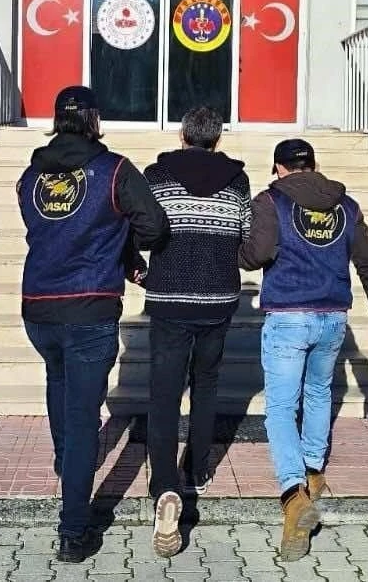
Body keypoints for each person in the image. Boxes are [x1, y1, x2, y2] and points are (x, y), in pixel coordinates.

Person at [17, 85, 169, 563]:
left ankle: (67, 465)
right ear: (93, 120)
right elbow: (155, 225)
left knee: (58, 384)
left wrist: (114, 244)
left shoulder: (31, 175)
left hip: (38, 304)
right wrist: (124, 250)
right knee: (84, 418)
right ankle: (74, 529)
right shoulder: (114, 170)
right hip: (89, 304)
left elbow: (37, 226)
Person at [239, 138, 368, 562]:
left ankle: (293, 494)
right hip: (333, 317)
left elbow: (257, 255)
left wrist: (237, 250)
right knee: (317, 394)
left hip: (289, 316)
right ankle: (313, 471)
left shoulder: (270, 201)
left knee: (280, 408)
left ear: (279, 168)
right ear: (313, 165)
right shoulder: (346, 205)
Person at [138, 106, 251, 558]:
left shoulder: (156, 176)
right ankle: (198, 470)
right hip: (218, 298)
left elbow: (142, 229)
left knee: (164, 393)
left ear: (183, 136)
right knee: (206, 385)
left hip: (169, 296)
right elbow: (245, 236)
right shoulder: (238, 182)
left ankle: (165, 484)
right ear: (217, 139)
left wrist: (138, 265)